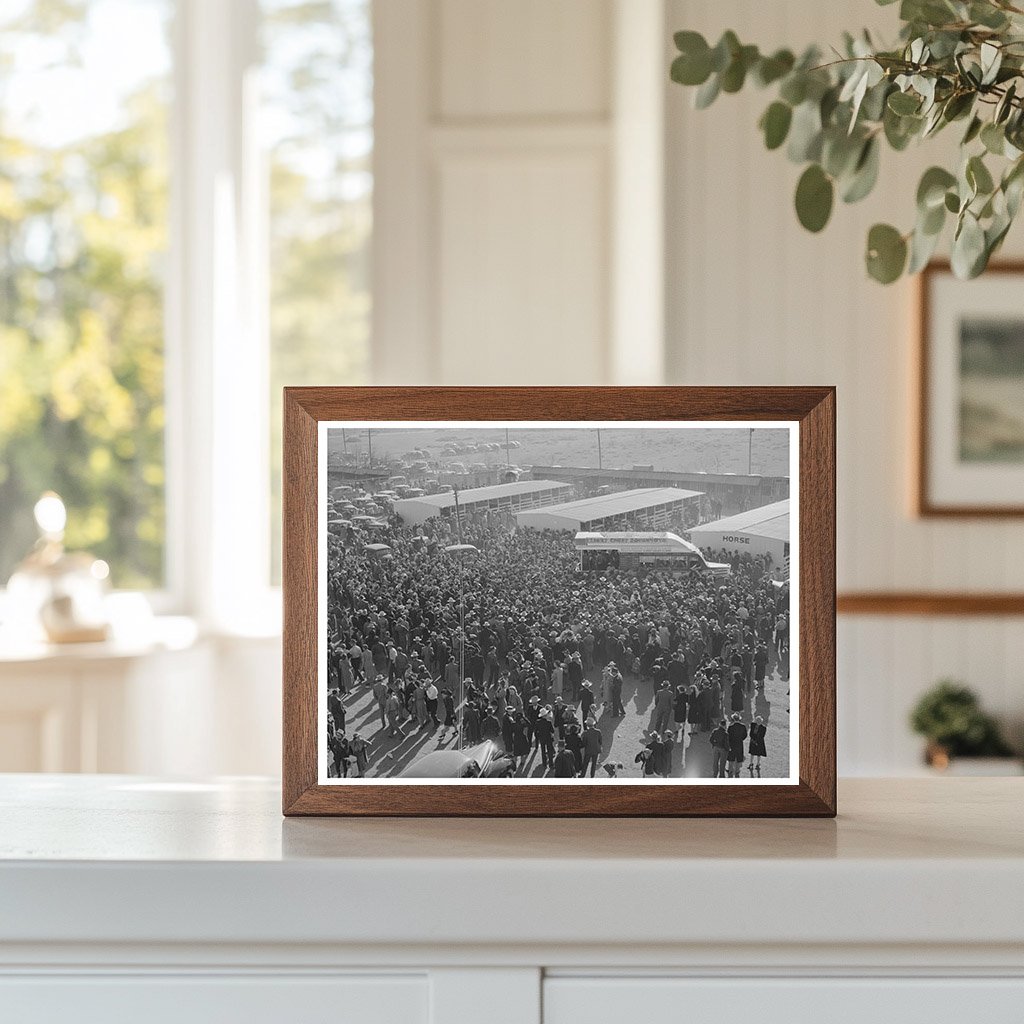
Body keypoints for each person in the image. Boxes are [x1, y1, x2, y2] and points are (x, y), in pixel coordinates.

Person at [727, 713, 748, 778]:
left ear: (733, 719)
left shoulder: (730, 727)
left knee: (731, 759)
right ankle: (737, 772)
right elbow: (745, 735)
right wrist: (741, 739)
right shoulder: (743, 726)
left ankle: (730, 772)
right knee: (739, 759)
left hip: (732, 744)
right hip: (739, 744)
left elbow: (728, 736)